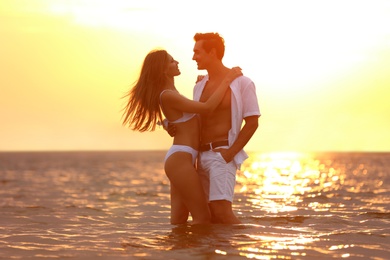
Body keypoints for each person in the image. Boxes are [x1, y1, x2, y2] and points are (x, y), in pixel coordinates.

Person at [121, 49, 242, 225]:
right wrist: (228, 79)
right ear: (163, 70)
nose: (177, 62)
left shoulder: (172, 93)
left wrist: (168, 122)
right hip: (180, 159)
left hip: (182, 159)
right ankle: (200, 252)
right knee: (203, 218)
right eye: (172, 61)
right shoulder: (168, 95)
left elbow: (186, 116)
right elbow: (207, 108)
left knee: (179, 220)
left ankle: (177, 252)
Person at [168, 33, 261, 224]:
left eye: (197, 52)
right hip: (200, 157)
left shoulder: (242, 83)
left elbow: (252, 122)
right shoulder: (200, 85)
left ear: (212, 52)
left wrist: (230, 154)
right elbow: (197, 118)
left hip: (222, 154)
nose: (193, 57)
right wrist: (171, 124)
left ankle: (247, 246)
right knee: (207, 215)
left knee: (221, 211)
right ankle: (214, 252)